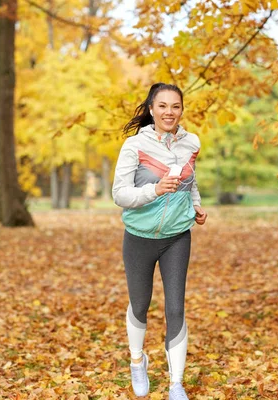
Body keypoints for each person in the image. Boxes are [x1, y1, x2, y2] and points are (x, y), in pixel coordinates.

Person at [112, 83, 207, 399]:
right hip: (139, 237)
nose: (170, 112)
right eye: (163, 106)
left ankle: (175, 384)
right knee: (140, 304)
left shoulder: (191, 142)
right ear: (151, 109)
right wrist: (154, 190)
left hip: (177, 237)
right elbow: (119, 194)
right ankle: (137, 361)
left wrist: (196, 206)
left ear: (182, 110)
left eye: (176, 106)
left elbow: (190, 181)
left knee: (176, 307)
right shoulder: (134, 146)